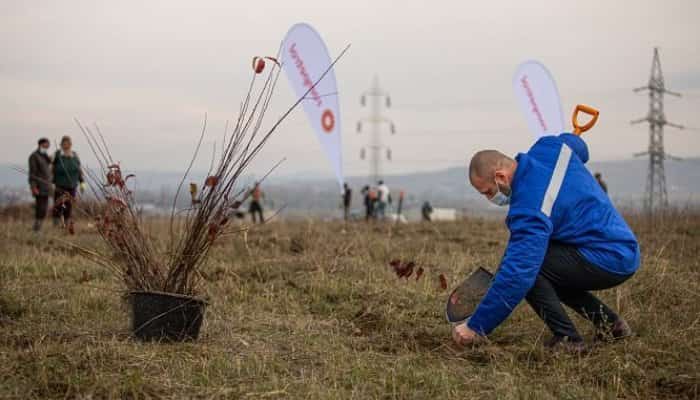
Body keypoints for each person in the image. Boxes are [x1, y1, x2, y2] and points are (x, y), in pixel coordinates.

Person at [453, 133, 640, 352]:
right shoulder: (550, 146)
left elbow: (519, 272)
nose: (489, 198)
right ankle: (611, 325)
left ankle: (569, 340)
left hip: (609, 258)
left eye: (487, 192)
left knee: (534, 269)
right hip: (621, 245)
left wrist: (476, 327)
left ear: (501, 177)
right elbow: (580, 147)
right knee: (548, 268)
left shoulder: (529, 207)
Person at [52, 135, 85, 228]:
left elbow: (79, 169)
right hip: (59, 185)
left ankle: (66, 224)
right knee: (58, 205)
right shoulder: (57, 155)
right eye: (64, 143)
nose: (66, 145)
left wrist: (82, 182)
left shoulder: (74, 155)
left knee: (69, 206)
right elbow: (51, 168)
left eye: (68, 143)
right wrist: (51, 181)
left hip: (72, 185)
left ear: (70, 144)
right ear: (61, 144)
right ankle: (56, 224)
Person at [28, 138, 52, 232]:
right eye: (45, 145)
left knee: (44, 208)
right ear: (40, 145)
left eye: (48, 146)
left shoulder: (45, 156)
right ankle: (37, 228)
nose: (46, 147)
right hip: (39, 186)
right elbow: (32, 173)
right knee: (40, 208)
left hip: (47, 186)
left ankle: (39, 227)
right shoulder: (34, 156)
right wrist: (33, 187)